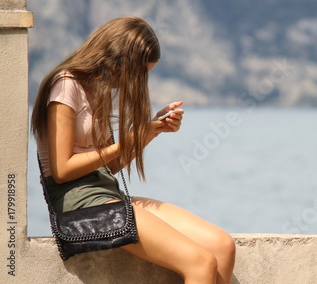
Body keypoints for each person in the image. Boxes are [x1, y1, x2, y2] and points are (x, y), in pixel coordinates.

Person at [31, 16, 235, 284]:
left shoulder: (97, 91)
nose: (138, 81)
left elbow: (108, 166)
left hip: (106, 193)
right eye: (139, 72)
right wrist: (126, 142)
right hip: (78, 204)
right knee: (201, 263)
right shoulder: (66, 84)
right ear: (118, 60)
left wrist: (151, 131)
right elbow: (62, 171)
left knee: (222, 246)